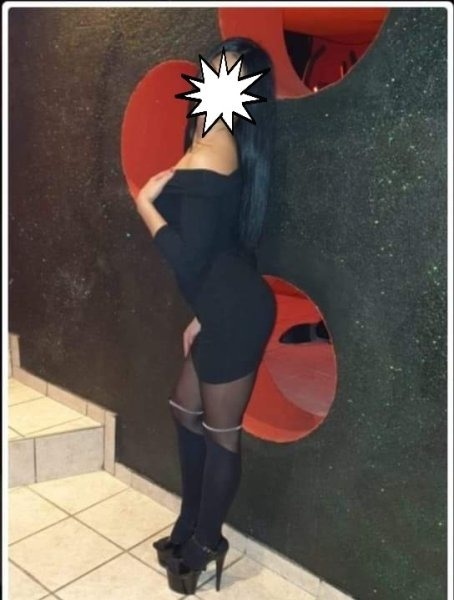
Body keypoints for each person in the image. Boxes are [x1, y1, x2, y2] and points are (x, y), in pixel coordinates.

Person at [136, 37, 277, 594]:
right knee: (183, 410)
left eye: (230, 73)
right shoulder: (205, 133)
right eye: (214, 68)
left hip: (237, 314)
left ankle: (205, 541)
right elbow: (224, 244)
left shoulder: (216, 144)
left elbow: (187, 255)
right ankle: (189, 523)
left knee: (221, 433)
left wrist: (145, 206)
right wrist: (201, 314)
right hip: (221, 309)